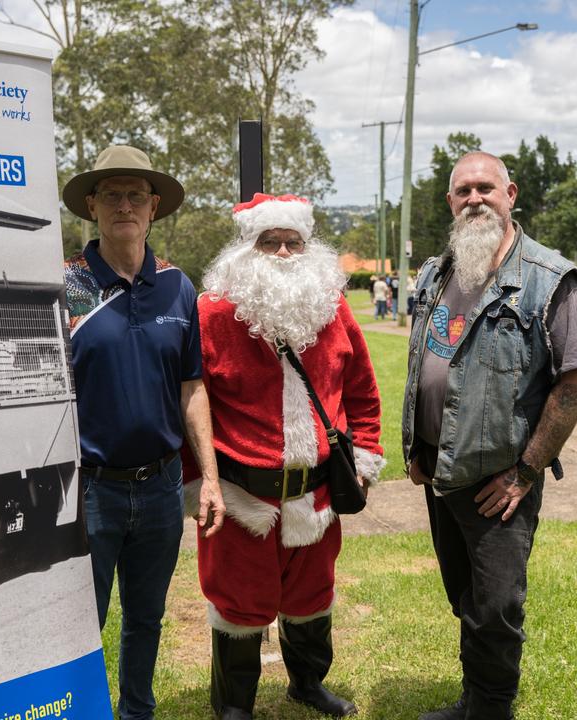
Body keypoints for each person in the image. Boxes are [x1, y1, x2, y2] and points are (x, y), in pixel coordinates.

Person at [403, 152, 577, 720]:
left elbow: (575, 383)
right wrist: (417, 445)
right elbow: (423, 361)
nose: (475, 199)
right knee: (466, 598)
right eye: (463, 191)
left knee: (496, 606)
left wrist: (525, 472)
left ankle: (491, 710)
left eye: (486, 188)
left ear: (511, 194)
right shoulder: (438, 272)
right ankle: (474, 700)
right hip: (442, 471)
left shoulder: (550, 278)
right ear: (450, 202)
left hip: (499, 482)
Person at [192, 193, 385, 720]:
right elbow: (190, 403)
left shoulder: (333, 304)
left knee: (312, 598)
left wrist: (364, 458)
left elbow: (363, 390)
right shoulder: (211, 314)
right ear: (245, 248)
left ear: (308, 246)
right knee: (238, 605)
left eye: (292, 242)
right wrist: (197, 482)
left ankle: (307, 685)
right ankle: (235, 705)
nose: (281, 252)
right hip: (240, 498)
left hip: (317, 493)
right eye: (268, 241)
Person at [60, 144, 225, 720]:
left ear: (154, 208)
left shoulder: (179, 287)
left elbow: (192, 387)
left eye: (135, 195)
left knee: (147, 618)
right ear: (92, 205)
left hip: (159, 488)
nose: (123, 205)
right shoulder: (66, 287)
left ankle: (137, 712)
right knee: (81, 623)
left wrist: (208, 477)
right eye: (111, 194)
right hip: (91, 491)